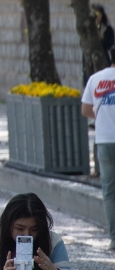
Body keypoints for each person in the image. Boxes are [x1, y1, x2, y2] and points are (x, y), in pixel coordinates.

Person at [0, 193, 71, 270]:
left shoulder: (53, 242)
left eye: (34, 229)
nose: (27, 235)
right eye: (20, 228)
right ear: (8, 225)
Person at [82, 44, 115, 250]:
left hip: (104, 141)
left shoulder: (96, 78)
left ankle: (114, 238)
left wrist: (103, 118)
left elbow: (86, 109)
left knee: (110, 192)